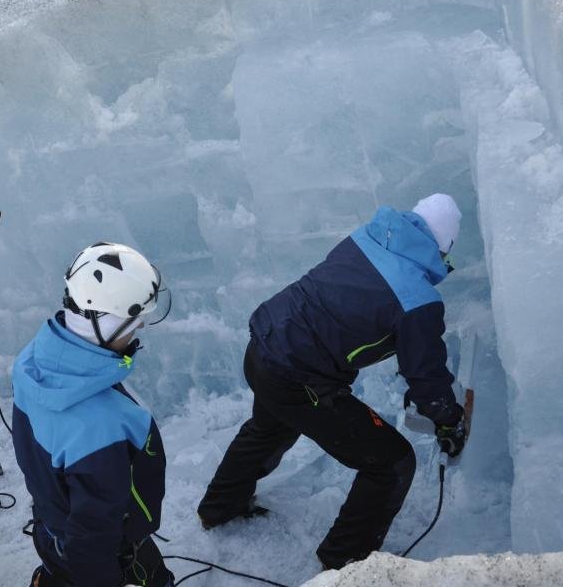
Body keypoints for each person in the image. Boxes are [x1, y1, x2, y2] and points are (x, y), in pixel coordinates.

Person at [197, 193, 469, 570]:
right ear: (442, 247)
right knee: (391, 463)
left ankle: (218, 508)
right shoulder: (417, 300)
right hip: (298, 378)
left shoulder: (366, 239)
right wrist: (448, 419)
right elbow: (426, 377)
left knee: (269, 427)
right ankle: (344, 564)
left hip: (264, 347)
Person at [12, 242, 175, 587]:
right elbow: (94, 533)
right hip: (109, 552)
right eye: (134, 320)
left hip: (52, 524)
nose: (140, 328)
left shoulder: (35, 361)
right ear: (106, 322)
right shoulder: (102, 425)